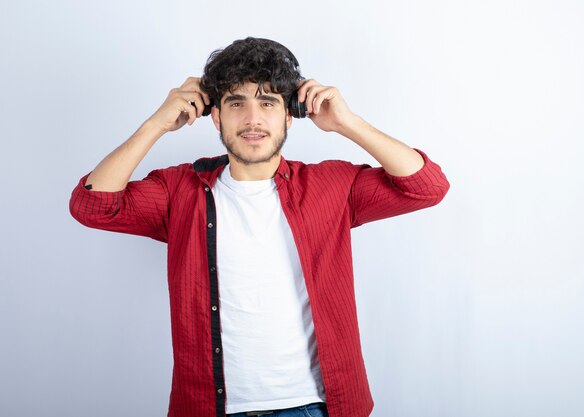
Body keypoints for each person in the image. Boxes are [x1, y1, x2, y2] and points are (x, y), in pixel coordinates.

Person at [69, 37, 450, 417]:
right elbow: (92, 206)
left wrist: (347, 124)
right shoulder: (179, 191)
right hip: (210, 408)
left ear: (289, 115)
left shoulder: (332, 186)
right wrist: (156, 124)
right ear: (216, 116)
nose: (252, 119)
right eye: (236, 103)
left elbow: (427, 187)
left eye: (268, 102)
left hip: (314, 406)